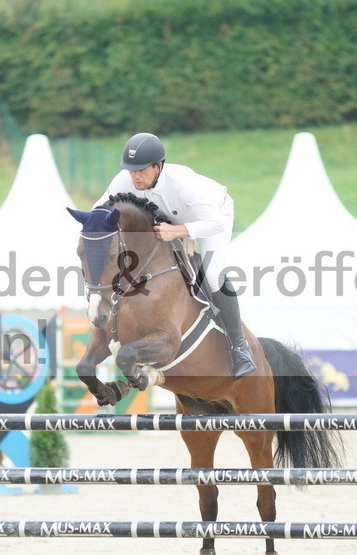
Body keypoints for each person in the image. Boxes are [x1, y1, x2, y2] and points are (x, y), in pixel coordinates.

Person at [94, 132, 256, 378]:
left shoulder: (183, 184)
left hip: (211, 218)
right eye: (131, 170)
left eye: (141, 170)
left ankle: (239, 346)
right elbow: (97, 211)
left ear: (158, 166)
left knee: (212, 276)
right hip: (170, 220)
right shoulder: (124, 180)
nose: (135, 177)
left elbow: (216, 224)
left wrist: (178, 231)